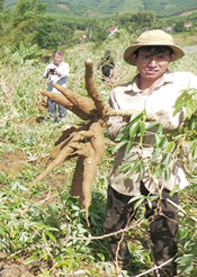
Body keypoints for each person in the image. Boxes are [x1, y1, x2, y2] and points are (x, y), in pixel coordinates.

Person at [104, 29, 197, 276]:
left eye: (160, 57)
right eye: (146, 56)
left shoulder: (186, 82)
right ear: (135, 58)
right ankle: (118, 266)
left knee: (164, 232)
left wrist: (174, 120)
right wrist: (135, 126)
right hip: (126, 170)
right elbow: (112, 131)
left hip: (165, 171)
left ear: (170, 59)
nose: (152, 63)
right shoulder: (119, 93)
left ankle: (164, 272)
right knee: (114, 226)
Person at [43, 50, 70, 123]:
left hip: (61, 91)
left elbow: (66, 74)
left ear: (62, 58)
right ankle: (51, 121)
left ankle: (62, 121)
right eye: (57, 57)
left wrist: (58, 73)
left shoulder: (65, 65)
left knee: (62, 107)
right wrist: (48, 72)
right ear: (53, 57)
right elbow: (45, 76)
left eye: (60, 57)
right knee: (51, 107)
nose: (58, 59)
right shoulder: (50, 66)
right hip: (51, 90)